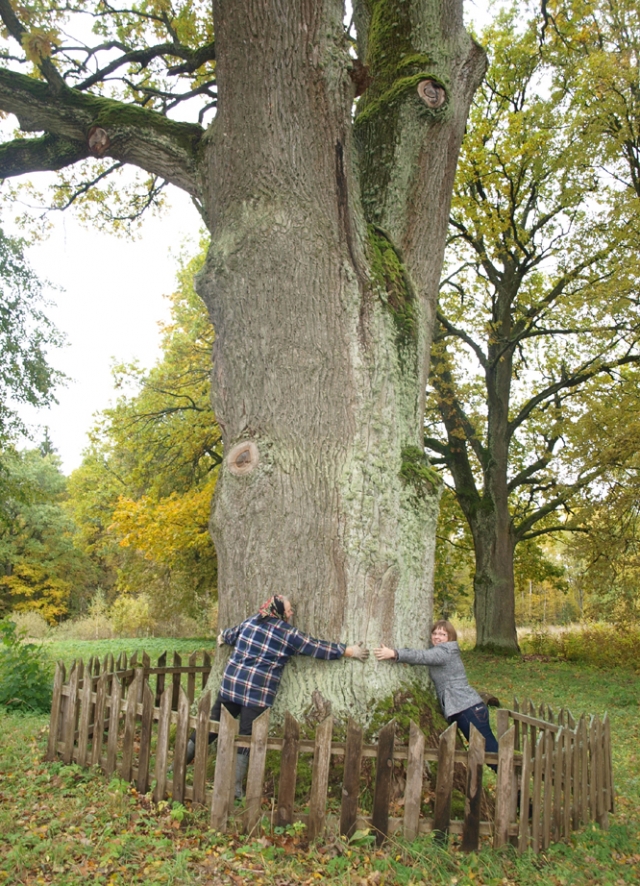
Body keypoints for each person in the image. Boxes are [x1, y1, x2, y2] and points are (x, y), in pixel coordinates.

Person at [186, 594, 369, 797]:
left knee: (212, 726)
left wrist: (222, 637)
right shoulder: (286, 633)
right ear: (279, 611)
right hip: (257, 693)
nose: (291, 613)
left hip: (232, 685)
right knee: (246, 737)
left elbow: (231, 634)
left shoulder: (250, 622)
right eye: (289, 609)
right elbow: (315, 646)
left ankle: (179, 763)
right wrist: (348, 651)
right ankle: (236, 789)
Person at [373, 619, 498, 768]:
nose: (437, 637)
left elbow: (422, 656)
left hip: (468, 709)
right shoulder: (442, 650)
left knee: (488, 751)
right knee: (486, 751)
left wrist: (394, 653)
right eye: (435, 633)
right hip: (465, 708)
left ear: (450, 638)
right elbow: (424, 654)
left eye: (443, 634)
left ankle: (514, 784)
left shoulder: (445, 652)